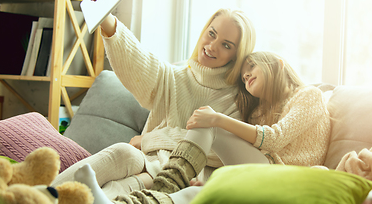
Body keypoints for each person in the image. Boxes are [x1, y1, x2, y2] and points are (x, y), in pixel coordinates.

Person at [51, 0, 257, 201]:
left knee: (126, 181)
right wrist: (103, 13)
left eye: (226, 45)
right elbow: (135, 59)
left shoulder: (238, 99)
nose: (211, 46)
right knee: (122, 152)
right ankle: (40, 194)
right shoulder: (175, 77)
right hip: (146, 161)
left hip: (184, 177)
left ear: (236, 54)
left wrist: (151, 139)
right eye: (211, 34)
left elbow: (217, 151)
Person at [70, 51, 332, 204]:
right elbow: (239, 159)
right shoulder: (259, 112)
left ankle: (164, 186)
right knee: (193, 193)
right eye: (243, 76)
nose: (247, 75)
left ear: (277, 64)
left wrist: (217, 119)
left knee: (211, 123)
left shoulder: (308, 96)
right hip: (261, 175)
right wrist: (211, 179)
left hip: (288, 180)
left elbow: (273, 140)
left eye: (252, 67)